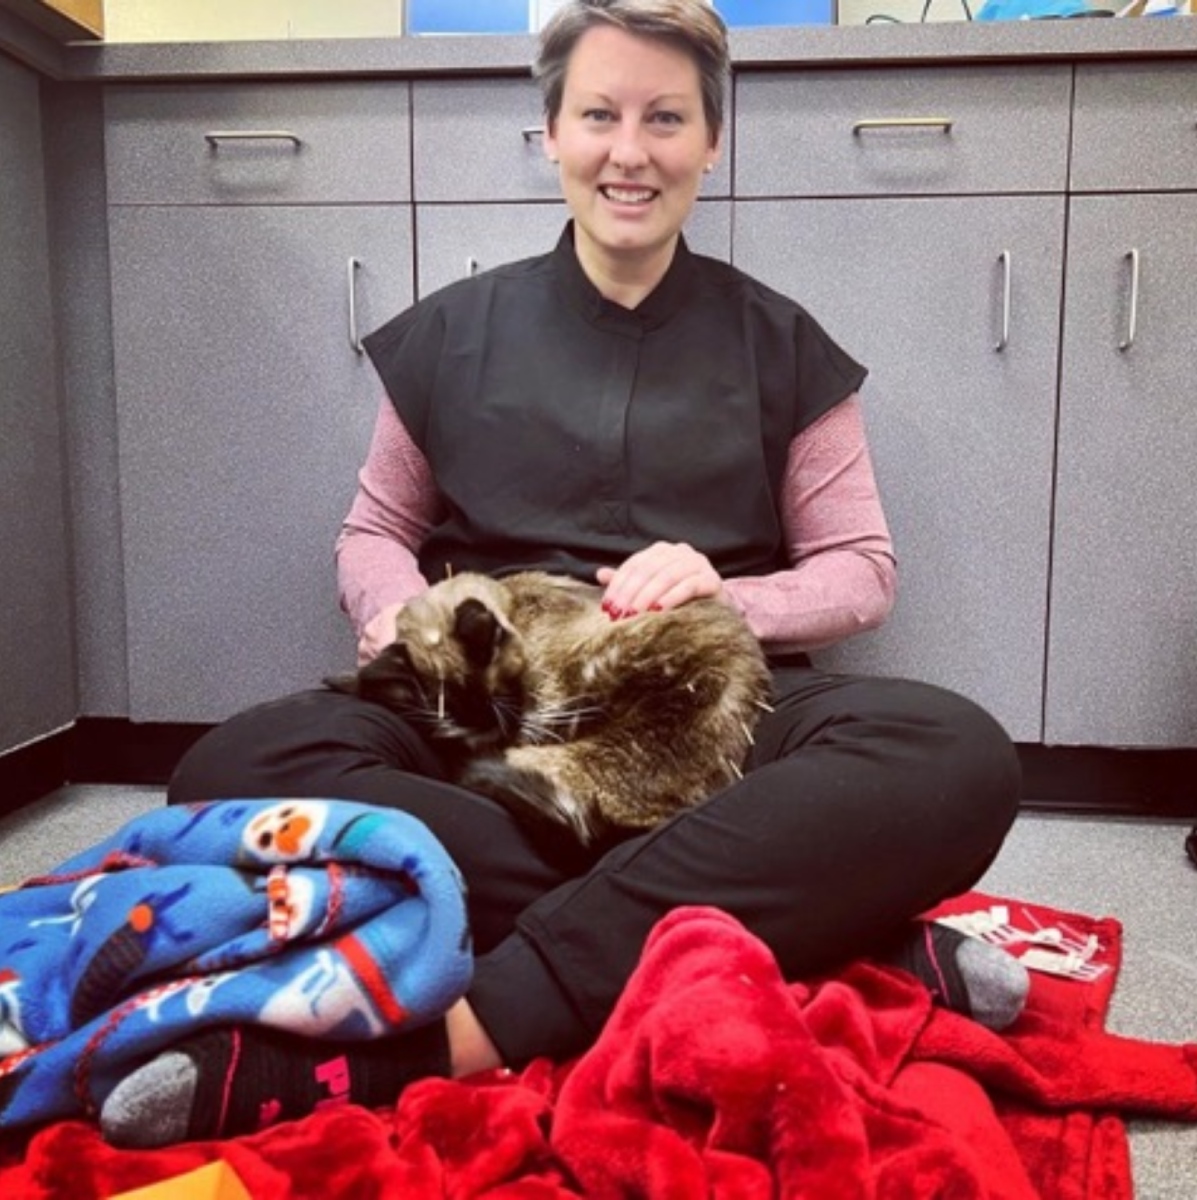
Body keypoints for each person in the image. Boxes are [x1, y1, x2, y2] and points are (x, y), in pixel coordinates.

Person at [100, 0, 1024, 1148]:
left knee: (956, 752)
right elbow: (372, 529)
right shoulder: (446, 333)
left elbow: (861, 570)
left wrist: (723, 593)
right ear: (550, 133)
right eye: (598, 114)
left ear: (711, 140)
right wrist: (400, 617)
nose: (628, 151)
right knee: (226, 768)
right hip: (488, 717)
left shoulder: (784, 343)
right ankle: (819, 928)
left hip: (710, 718)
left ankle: (483, 1016)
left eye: (665, 118)